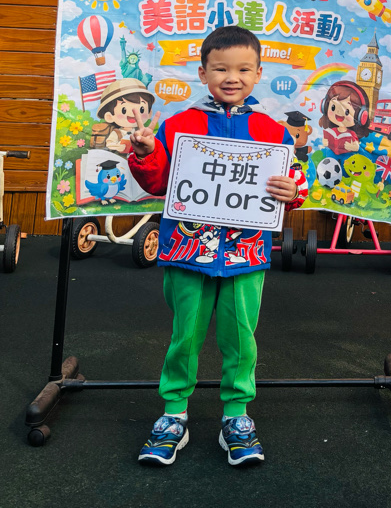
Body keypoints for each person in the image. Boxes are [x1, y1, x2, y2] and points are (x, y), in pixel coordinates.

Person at [127, 26, 308, 467]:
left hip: (246, 255)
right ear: (203, 72)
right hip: (187, 251)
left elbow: (294, 182)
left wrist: (294, 191)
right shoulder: (178, 125)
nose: (232, 77)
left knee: (241, 337)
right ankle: (174, 414)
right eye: (221, 69)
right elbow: (157, 182)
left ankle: (237, 416)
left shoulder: (272, 131)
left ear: (258, 73)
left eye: (243, 69)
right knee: (184, 335)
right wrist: (146, 152)